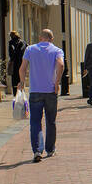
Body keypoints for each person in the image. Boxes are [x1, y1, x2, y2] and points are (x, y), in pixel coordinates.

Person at [20, 28, 64, 163]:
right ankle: (50, 149)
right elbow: (61, 65)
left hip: (35, 91)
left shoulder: (30, 49)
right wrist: (57, 82)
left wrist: (22, 83)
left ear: (40, 38)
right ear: (52, 38)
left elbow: (22, 68)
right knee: (51, 121)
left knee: (35, 122)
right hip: (50, 91)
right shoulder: (57, 50)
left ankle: (37, 150)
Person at [7, 30, 26, 96]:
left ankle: (15, 93)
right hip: (22, 62)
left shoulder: (11, 43)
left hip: (14, 63)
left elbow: (11, 54)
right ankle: (21, 90)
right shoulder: (23, 42)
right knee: (21, 77)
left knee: (14, 78)